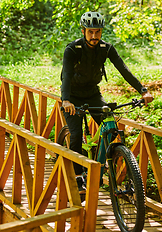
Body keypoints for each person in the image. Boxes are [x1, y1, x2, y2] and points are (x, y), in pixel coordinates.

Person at [60, 11, 154, 194]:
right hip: (73, 96)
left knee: (110, 128)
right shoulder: (72, 49)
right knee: (77, 135)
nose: (94, 36)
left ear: (101, 31)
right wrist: (66, 100)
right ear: (83, 31)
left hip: (93, 93)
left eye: (97, 32)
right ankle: (78, 176)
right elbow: (67, 77)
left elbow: (123, 69)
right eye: (90, 32)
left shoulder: (106, 48)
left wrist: (143, 90)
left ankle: (98, 165)